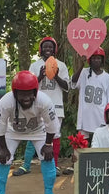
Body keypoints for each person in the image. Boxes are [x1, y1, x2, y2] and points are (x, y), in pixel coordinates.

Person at [0, 71, 62, 194]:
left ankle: (49, 193)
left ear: (35, 92)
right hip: (12, 131)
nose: (26, 97)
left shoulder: (44, 101)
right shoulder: (5, 102)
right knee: (2, 159)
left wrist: (48, 144)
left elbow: (52, 125)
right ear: (15, 93)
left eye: (29, 93)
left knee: (47, 157)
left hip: (38, 131)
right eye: (22, 94)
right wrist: (3, 148)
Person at [13, 37, 69, 177]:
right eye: (45, 47)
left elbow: (67, 87)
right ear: (41, 49)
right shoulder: (35, 65)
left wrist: (55, 76)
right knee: (33, 134)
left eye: (51, 47)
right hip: (37, 105)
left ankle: (54, 166)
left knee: (55, 135)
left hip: (56, 106)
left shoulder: (61, 65)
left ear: (55, 49)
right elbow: (28, 86)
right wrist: (39, 76)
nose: (48, 50)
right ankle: (26, 165)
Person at [71, 47, 109, 141]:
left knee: (100, 141)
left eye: (98, 58)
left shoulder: (107, 77)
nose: (96, 60)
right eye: (93, 58)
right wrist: (82, 65)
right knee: (83, 142)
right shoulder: (83, 72)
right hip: (85, 114)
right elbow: (73, 82)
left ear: (102, 60)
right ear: (89, 60)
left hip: (100, 113)